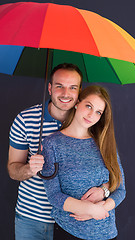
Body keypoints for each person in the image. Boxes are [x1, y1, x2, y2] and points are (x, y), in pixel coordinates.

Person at [7, 63, 109, 240]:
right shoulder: (25, 120)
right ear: (49, 88)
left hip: (73, 221)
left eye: (72, 88)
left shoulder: (89, 125)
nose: (65, 94)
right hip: (32, 219)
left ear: (79, 93)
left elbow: (110, 173)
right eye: (59, 86)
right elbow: (12, 169)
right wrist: (29, 169)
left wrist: (104, 190)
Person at [42, 85, 126, 240]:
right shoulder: (52, 143)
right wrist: (89, 209)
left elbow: (120, 189)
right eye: (88, 106)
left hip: (106, 233)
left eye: (98, 112)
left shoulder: (104, 144)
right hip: (69, 230)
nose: (91, 115)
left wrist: (102, 207)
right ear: (77, 103)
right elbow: (53, 195)